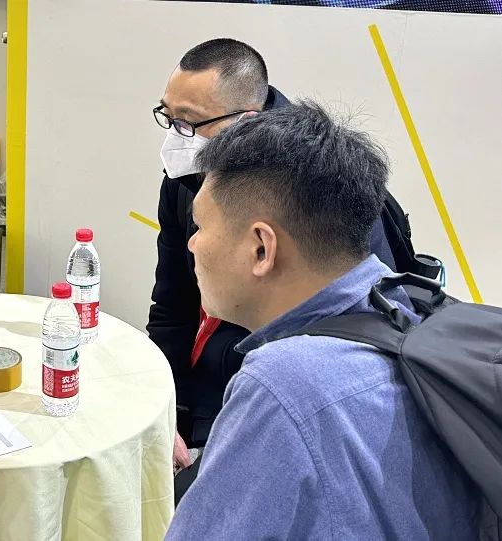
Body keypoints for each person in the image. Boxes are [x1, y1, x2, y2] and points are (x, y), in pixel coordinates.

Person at [164, 102, 478, 539]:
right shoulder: (413, 304)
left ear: (261, 248)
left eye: (199, 226)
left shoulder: (282, 386)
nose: (192, 244)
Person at [146, 38, 410, 480]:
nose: (176, 137)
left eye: (189, 122)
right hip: (218, 391)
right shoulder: (185, 176)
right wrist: (164, 406)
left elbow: (365, 328)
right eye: (168, 117)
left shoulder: (323, 190)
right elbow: (173, 303)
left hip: (293, 401)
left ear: (262, 246)